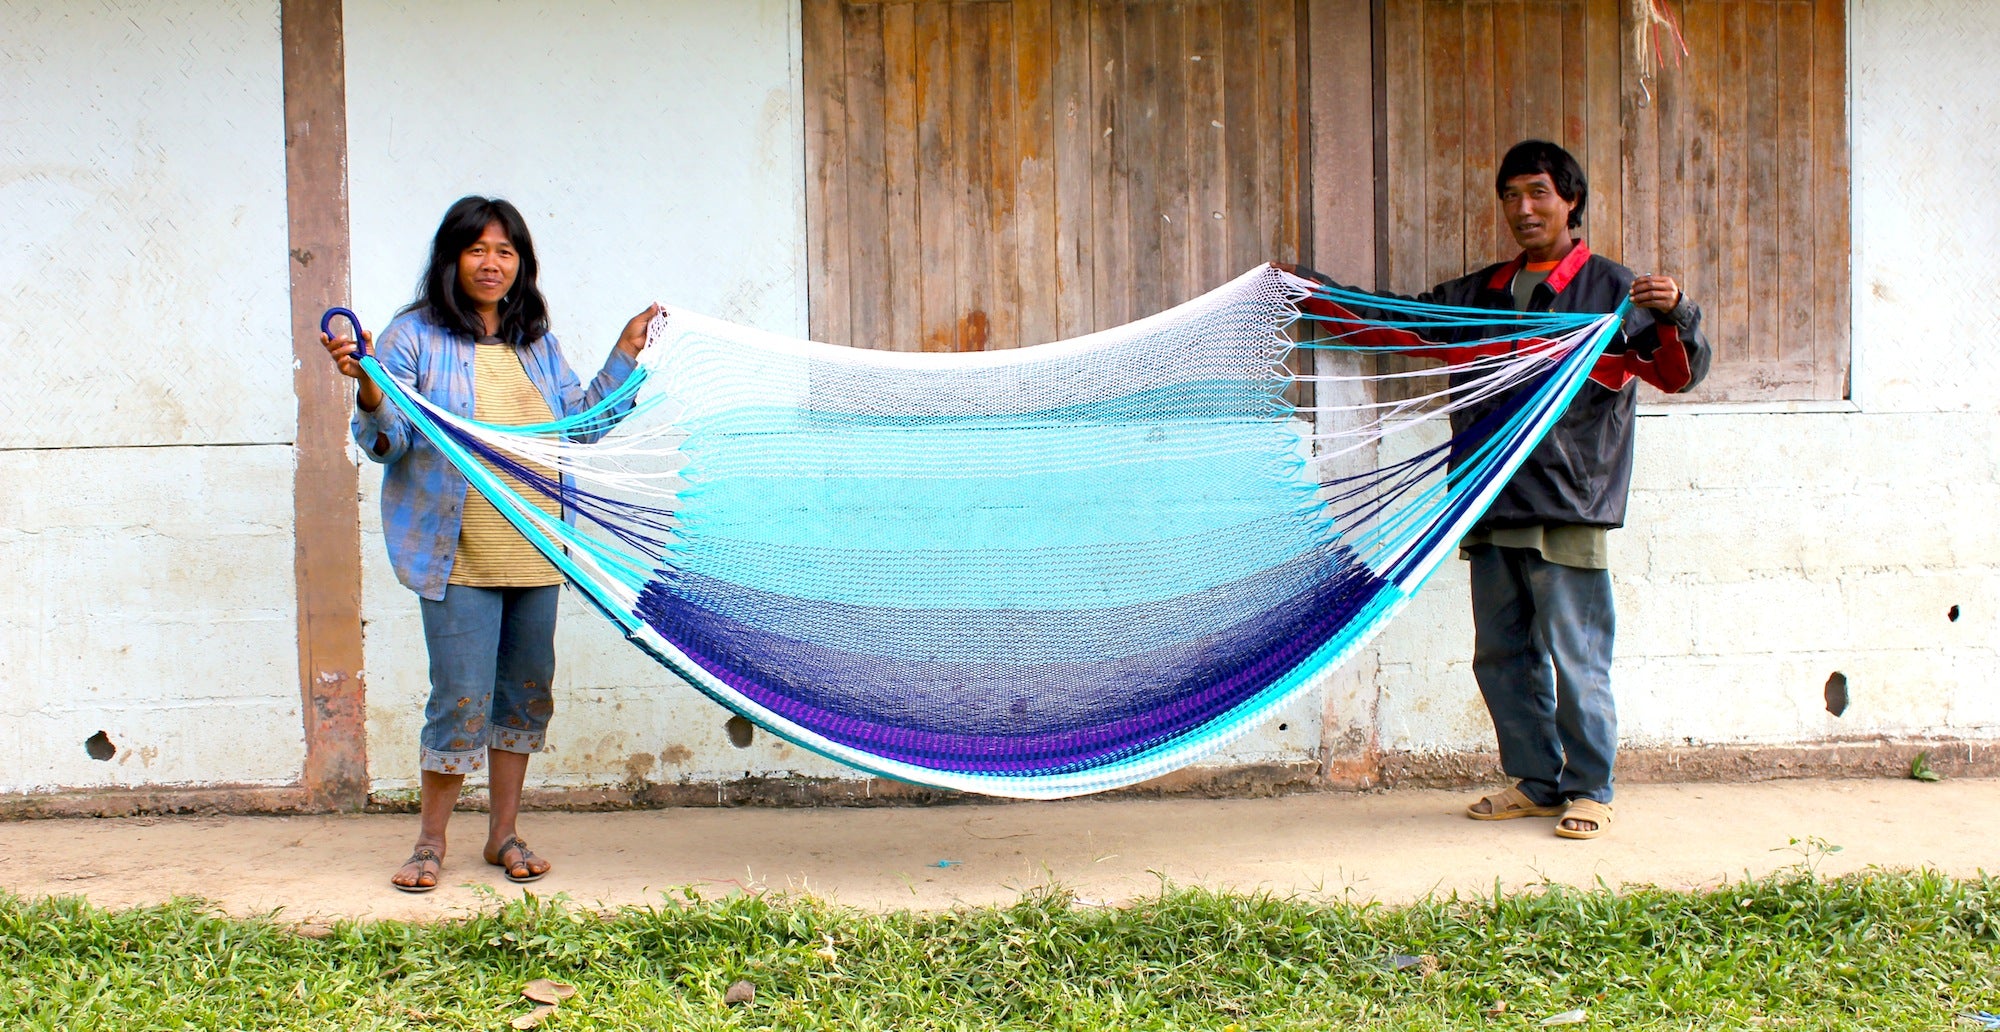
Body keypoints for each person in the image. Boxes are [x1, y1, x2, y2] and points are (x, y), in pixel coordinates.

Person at [1292, 140, 1712, 840]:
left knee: (1576, 654)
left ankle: (1589, 789)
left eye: (1539, 193)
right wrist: (1308, 291)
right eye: (1512, 196)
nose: (1524, 209)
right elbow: (1393, 323)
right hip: (1489, 500)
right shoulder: (1478, 296)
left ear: (1571, 201)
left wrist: (1679, 314)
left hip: (1568, 501)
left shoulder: (1615, 292)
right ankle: (1536, 782)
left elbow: (1676, 374)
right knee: (1501, 655)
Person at [322, 196, 660, 890]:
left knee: (524, 697)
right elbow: (389, 442)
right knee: (461, 698)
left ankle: (503, 834)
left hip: (535, 551)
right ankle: (428, 842)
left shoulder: (536, 343)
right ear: (451, 258)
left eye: (505, 251)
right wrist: (365, 386)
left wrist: (625, 355)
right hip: (458, 556)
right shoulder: (412, 337)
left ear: (521, 265)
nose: (491, 262)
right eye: (477, 248)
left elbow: (579, 428)